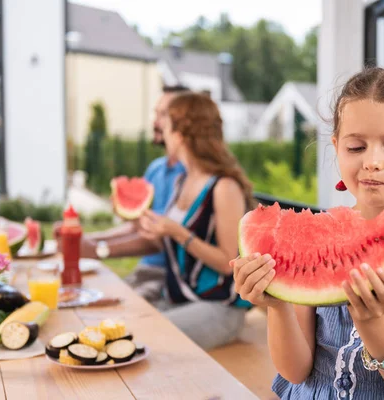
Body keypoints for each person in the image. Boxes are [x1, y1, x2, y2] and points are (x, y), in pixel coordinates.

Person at [231, 67, 384, 399]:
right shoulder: (316, 232)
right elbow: (295, 370)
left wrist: (375, 324)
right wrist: (278, 304)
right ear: (336, 147)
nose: (372, 161)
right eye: (356, 147)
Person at [129, 91, 256, 350]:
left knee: (144, 343)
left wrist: (177, 232)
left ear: (180, 135)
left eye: (165, 126)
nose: (161, 133)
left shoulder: (224, 188)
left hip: (219, 307)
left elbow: (226, 261)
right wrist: (154, 229)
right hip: (179, 298)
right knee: (125, 329)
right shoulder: (181, 181)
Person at [70, 85, 188, 301]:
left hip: (167, 276)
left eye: (164, 115)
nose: (155, 121)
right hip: (144, 269)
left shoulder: (190, 176)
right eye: (156, 113)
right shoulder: (156, 169)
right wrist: (85, 239)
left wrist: (99, 249)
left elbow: (158, 239)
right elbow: (138, 224)